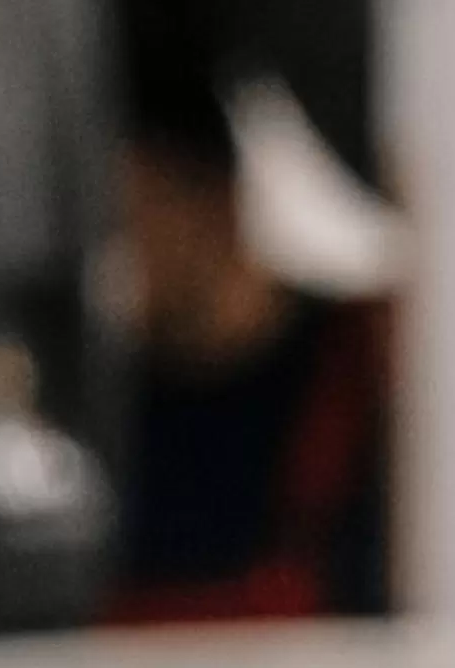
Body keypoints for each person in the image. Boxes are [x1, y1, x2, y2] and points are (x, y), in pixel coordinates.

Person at [102, 77, 392, 625]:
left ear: (215, 199)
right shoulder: (105, 399)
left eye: (140, 211)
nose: (121, 250)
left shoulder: (349, 368)